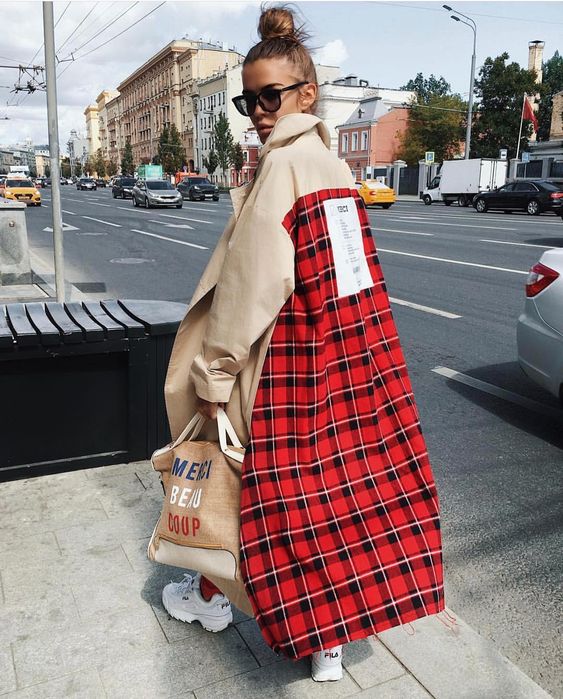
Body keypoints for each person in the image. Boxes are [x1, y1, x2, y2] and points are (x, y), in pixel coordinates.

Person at [162, 3, 445, 683]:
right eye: (248, 99)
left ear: (305, 94)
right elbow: (354, 278)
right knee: (336, 499)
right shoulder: (332, 168)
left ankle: (207, 597)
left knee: (240, 484)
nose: (258, 111)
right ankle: (328, 648)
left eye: (270, 96)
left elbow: (248, 290)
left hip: (281, 358)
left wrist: (214, 377)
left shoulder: (280, 170)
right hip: (345, 356)